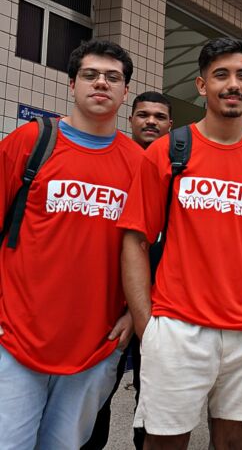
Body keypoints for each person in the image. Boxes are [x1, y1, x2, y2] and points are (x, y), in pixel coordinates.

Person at [119, 37, 242, 448]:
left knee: (236, 445)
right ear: (202, 85)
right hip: (178, 329)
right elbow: (135, 239)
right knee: (164, 443)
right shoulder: (169, 151)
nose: (232, 84)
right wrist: (147, 323)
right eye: (221, 75)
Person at [0, 40, 141, 448]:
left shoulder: (138, 164)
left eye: (113, 77)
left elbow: (148, 250)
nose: (101, 83)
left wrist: (135, 312)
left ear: (125, 91)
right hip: (16, 334)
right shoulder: (31, 142)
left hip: (97, 343)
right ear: (71, 84)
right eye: (90, 75)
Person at [85, 91, 172, 450]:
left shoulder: (178, 168)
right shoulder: (116, 163)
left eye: (159, 116)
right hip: (114, 305)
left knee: (152, 403)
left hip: (164, 307)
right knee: (97, 397)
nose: (150, 121)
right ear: (131, 119)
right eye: (143, 115)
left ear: (171, 124)